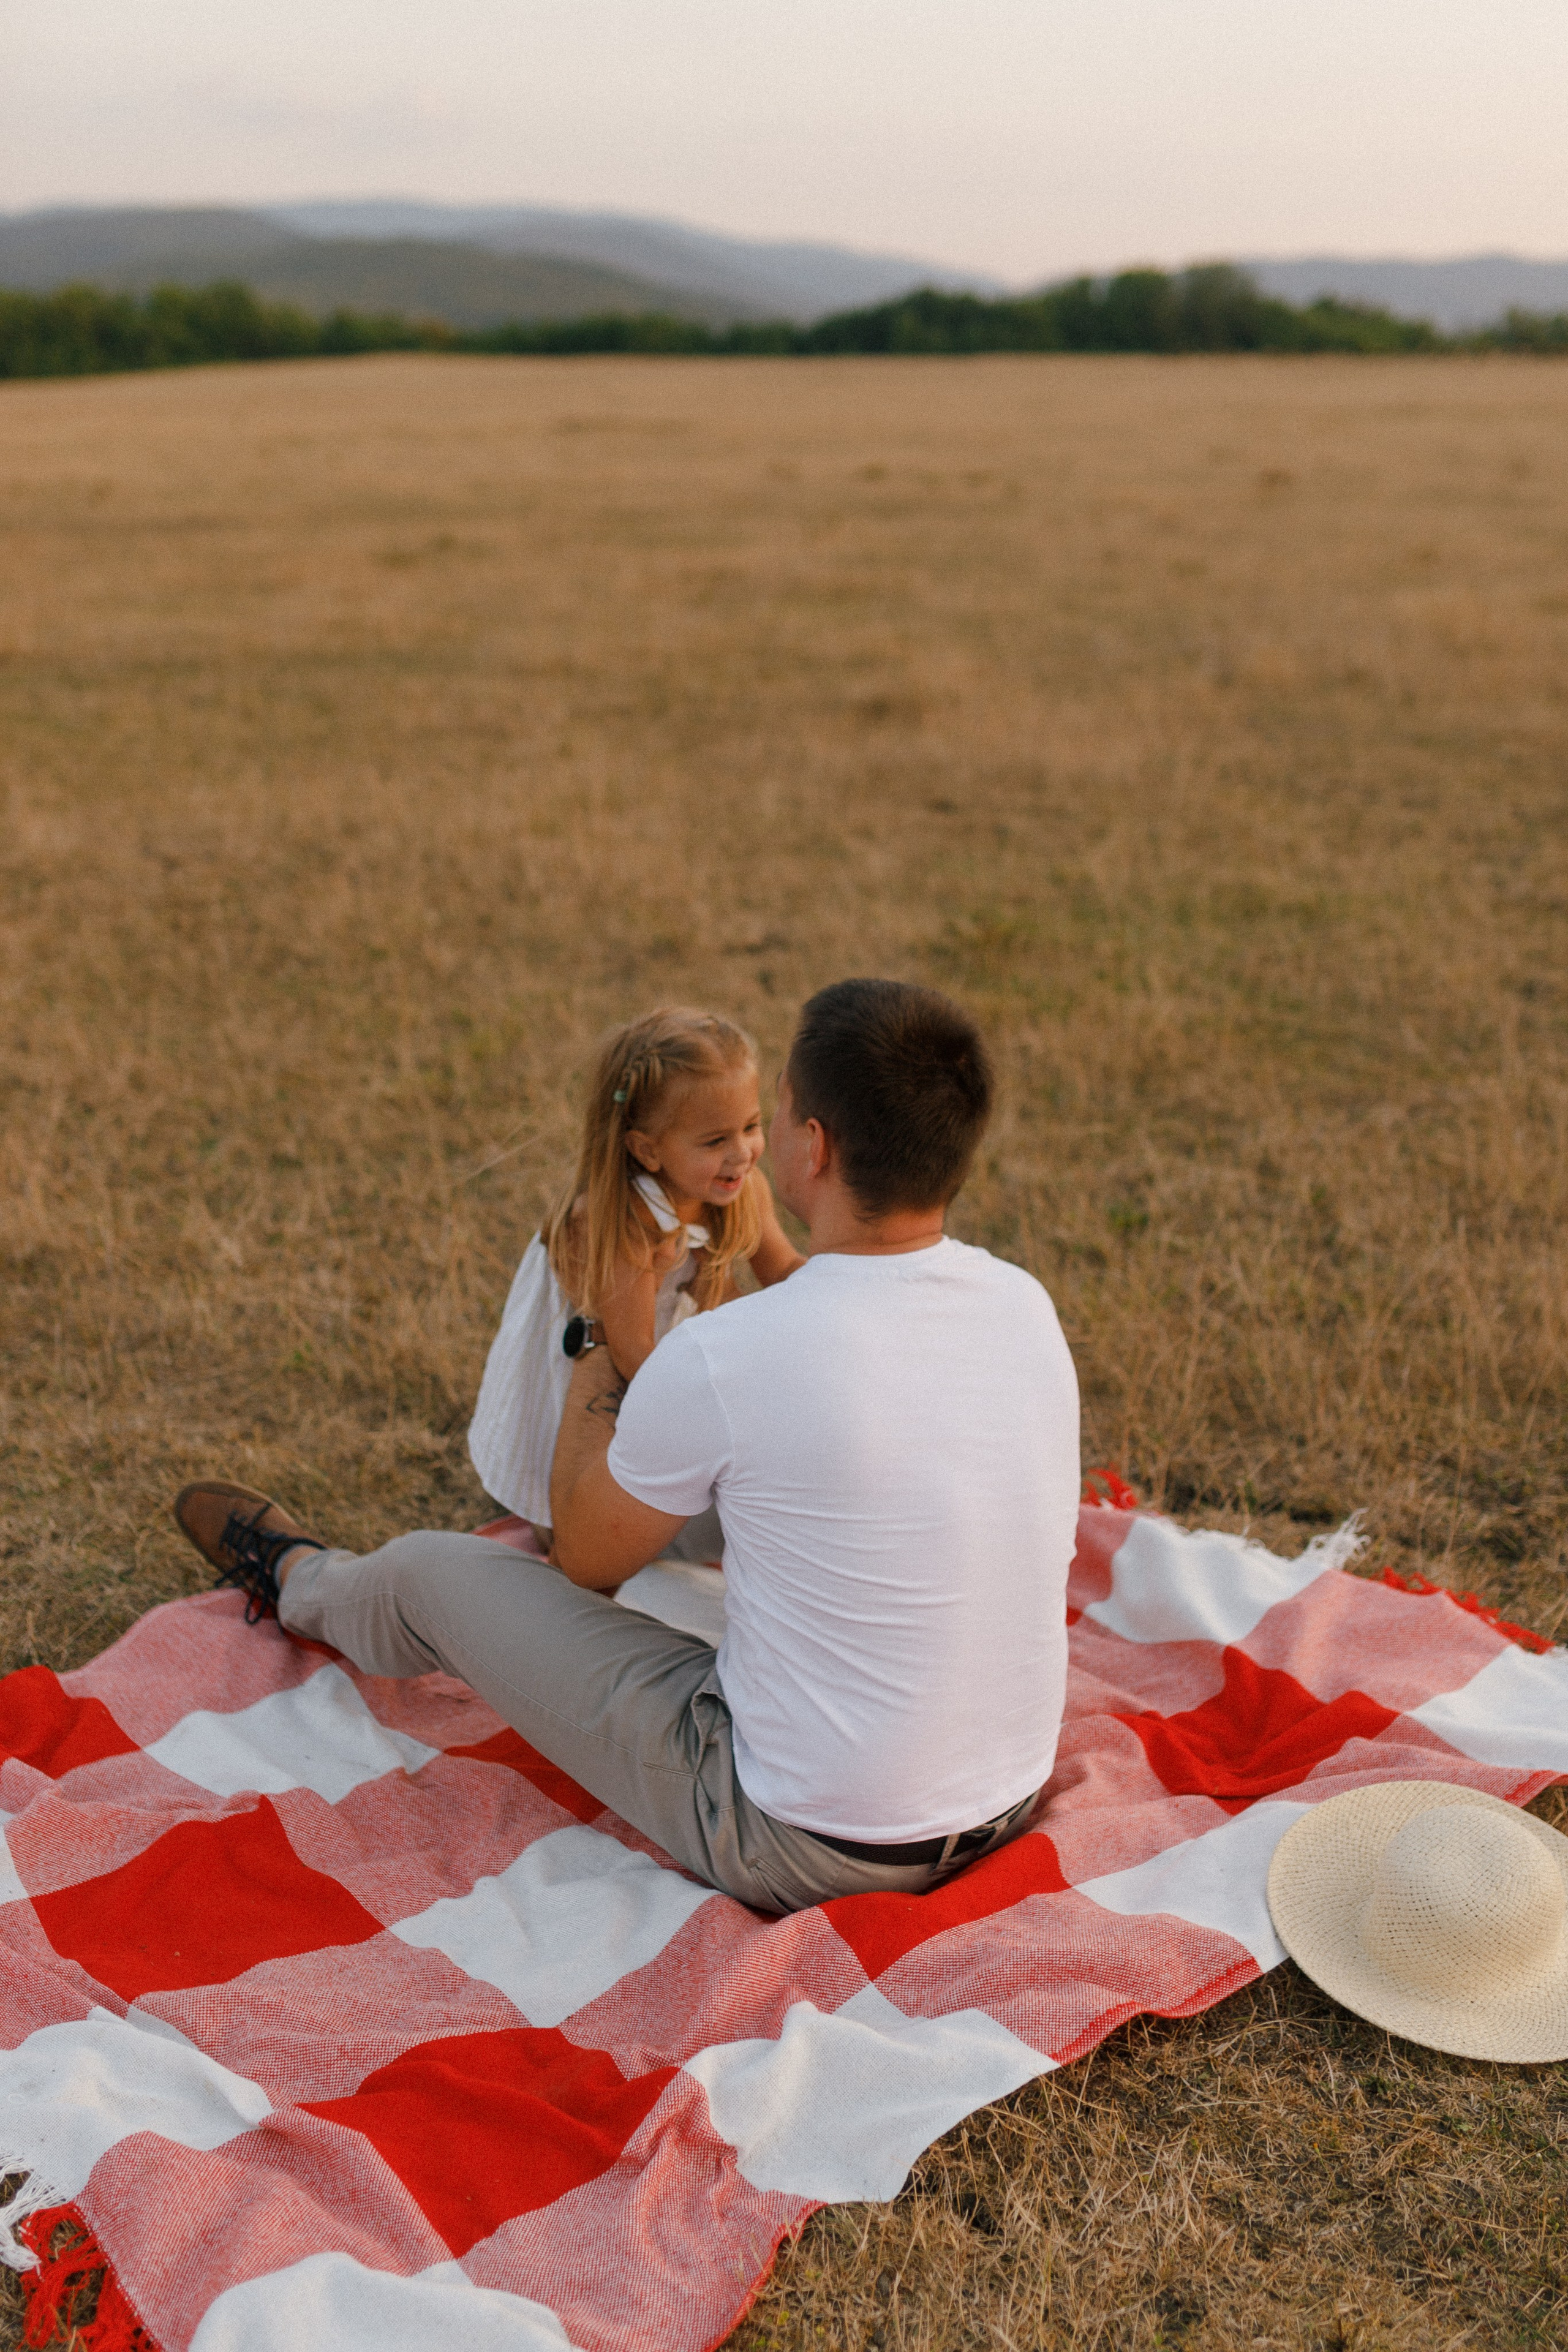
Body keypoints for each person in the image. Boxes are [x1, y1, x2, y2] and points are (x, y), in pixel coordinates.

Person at [173, 979, 1082, 1914]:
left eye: (773, 1112)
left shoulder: (730, 1356)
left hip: (807, 1843)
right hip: (1004, 1798)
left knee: (427, 1574)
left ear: (815, 1144)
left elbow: (583, 1558)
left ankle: (296, 1579)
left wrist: (602, 1331)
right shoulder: (1022, 1303)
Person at [467, 1006, 801, 1554]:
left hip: (673, 1355)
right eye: (715, 1140)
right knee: (576, 1505)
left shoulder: (743, 1190)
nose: (742, 1153)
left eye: (751, 1126)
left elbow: (784, 1268)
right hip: (615, 1362)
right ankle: (565, 1517)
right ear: (648, 1149)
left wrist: (839, 1286)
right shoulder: (626, 1223)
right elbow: (633, 1356)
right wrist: (706, 1424)